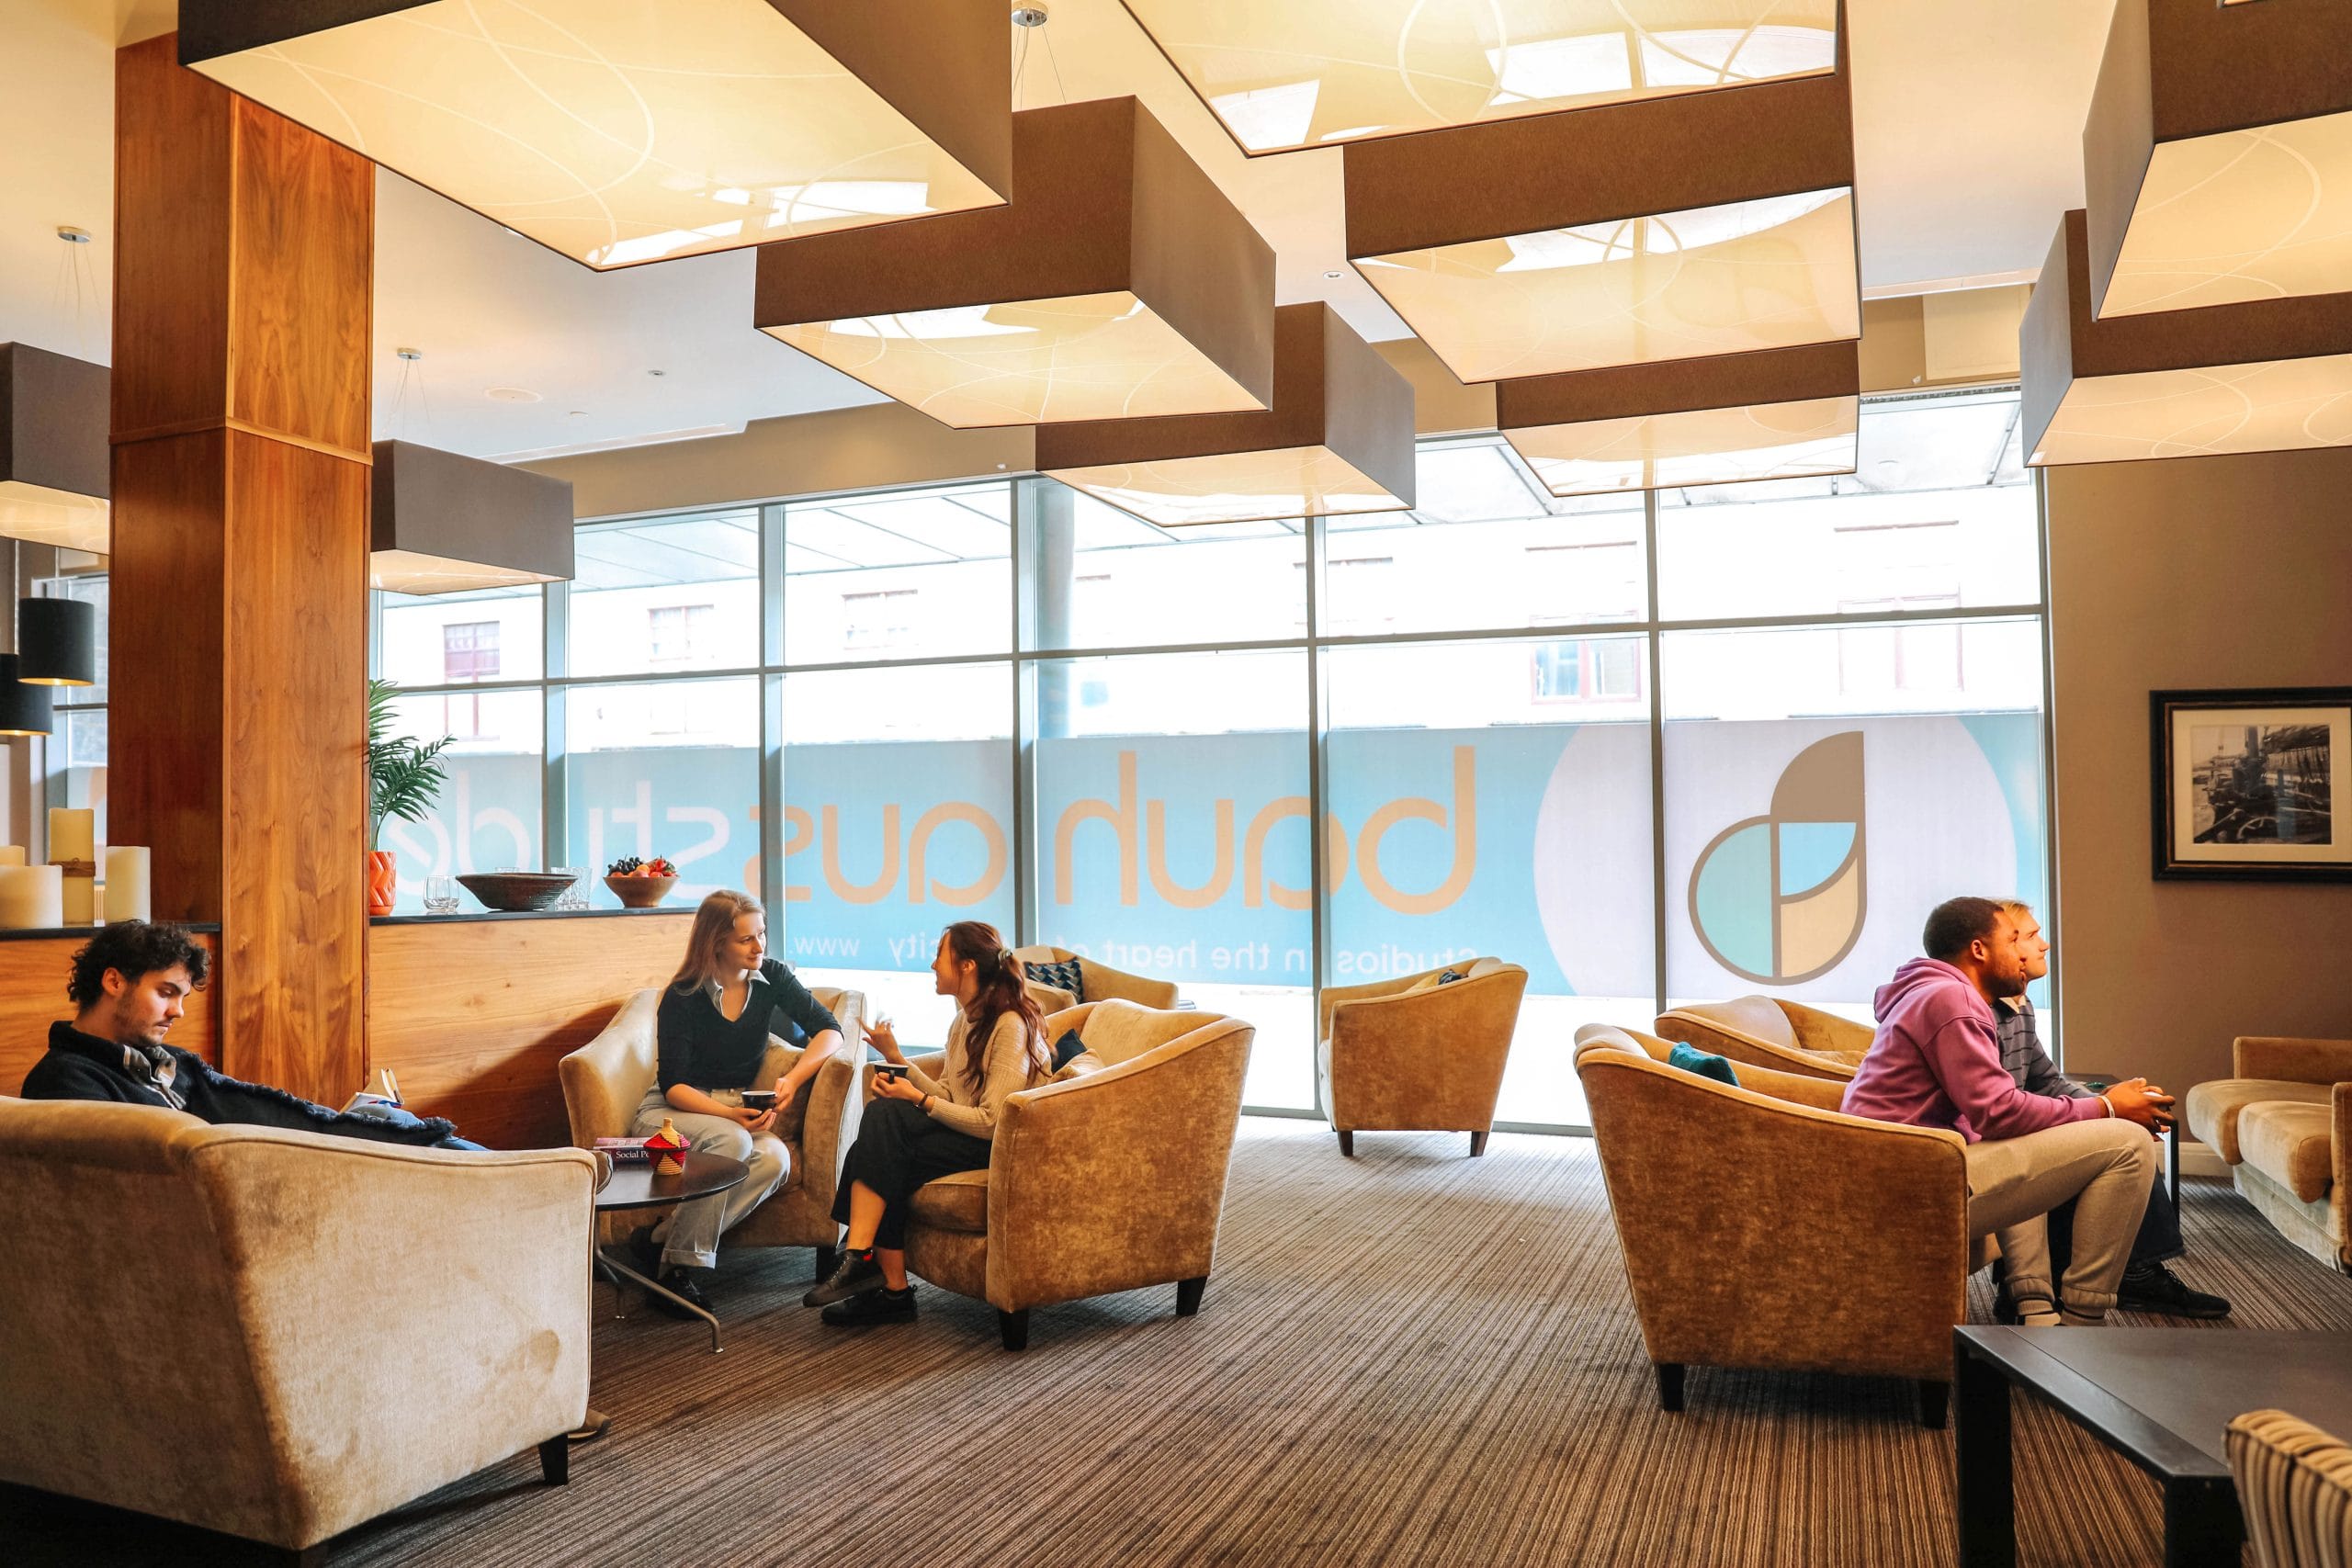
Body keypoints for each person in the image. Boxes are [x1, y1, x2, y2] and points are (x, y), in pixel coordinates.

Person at [1840, 897, 2168, 1327]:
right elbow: (1997, 1112)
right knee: (2129, 1143)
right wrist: (2107, 1106)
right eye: (2015, 940)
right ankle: (2083, 1322)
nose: (2025, 952)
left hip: (1910, 1162)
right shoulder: (1950, 999)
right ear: (1979, 949)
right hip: (1910, 1179)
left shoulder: (1937, 992)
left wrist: (2100, 1107)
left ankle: (2038, 1311)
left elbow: (2001, 1108)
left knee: (2036, 1140)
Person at [20, 919, 483, 1149]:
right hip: (234, 1207)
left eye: (182, 997)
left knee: (402, 1127)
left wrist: (349, 1127)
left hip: (262, 1175)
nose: (178, 1012)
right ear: (114, 981)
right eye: (166, 993)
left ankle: (536, 1177)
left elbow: (253, 1109)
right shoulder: (66, 1083)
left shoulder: (169, 1063)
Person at [803, 919, 1052, 1327]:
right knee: (882, 1142)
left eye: (940, 954)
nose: (932, 964)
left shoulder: (1008, 1025)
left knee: (883, 1135)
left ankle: (869, 1266)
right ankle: (880, 1278)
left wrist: (918, 1098)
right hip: (969, 1134)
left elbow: (993, 1122)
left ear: (968, 965)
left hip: (1005, 1145)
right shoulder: (964, 1022)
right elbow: (952, 1096)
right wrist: (898, 1059)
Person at [1989, 900, 2229, 1319]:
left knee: (2124, 1126)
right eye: (2027, 936)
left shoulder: (2018, 1005)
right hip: (2000, 1140)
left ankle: (2134, 1271)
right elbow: (2002, 1108)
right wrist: (2106, 1109)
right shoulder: (1977, 1012)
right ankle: (2116, 1278)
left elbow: (2046, 1078)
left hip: (2022, 1125)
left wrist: (2115, 1105)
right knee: (2122, 1137)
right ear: (1996, 948)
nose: (2044, 945)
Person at [633, 889, 846, 1312]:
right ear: (715, 943)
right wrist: (731, 1116)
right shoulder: (683, 995)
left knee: (776, 1161)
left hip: (734, 1111)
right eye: (746, 939)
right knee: (735, 1144)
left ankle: (659, 1241)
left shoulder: (772, 978)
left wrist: (793, 1078)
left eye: (762, 934)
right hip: (673, 1112)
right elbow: (674, 1084)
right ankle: (678, 1271)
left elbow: (830, 1030)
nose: (759, 946)